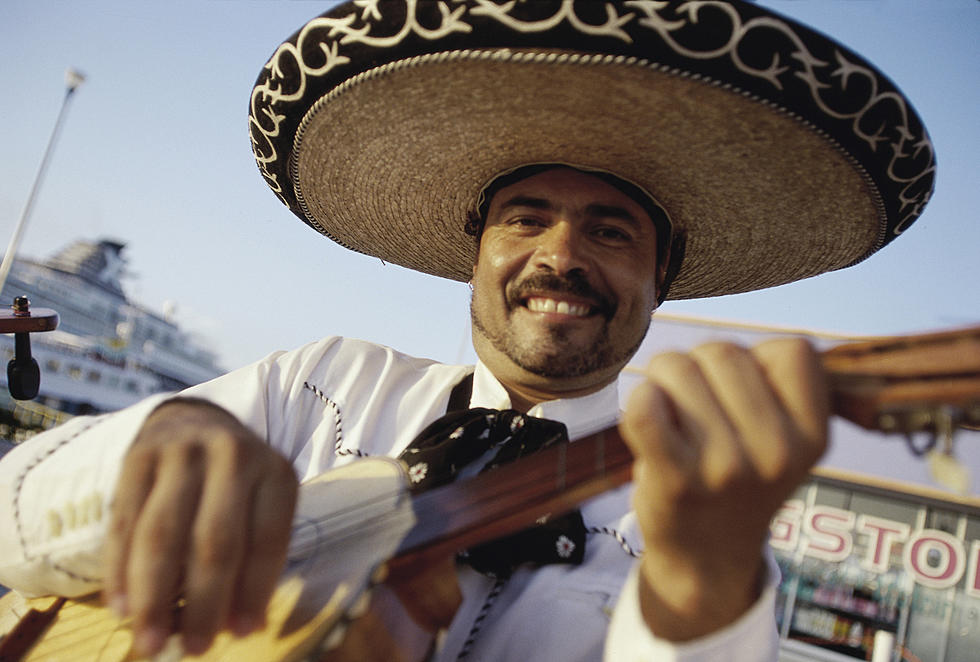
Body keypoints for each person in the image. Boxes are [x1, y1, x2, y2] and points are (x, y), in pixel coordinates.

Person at [0, 1, 935, 661]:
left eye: (611, 231)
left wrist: (699, 588)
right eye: (525, 218)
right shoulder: (320, 383)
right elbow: (13, 517)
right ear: (477, 249)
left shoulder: (711, 535)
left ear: (664, 277)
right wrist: (145, 449)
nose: (560, 257)